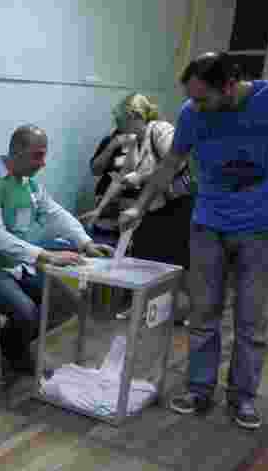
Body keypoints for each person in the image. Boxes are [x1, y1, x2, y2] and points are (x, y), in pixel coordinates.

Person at [120, 52, 268, 430]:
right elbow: (170, 164)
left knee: (252, 322)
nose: (195, 106)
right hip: (207, 226)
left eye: (203, 99)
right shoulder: (192, 112)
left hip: (260, 230)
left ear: (231, 85)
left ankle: (243, 398)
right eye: (192, 98)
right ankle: (199, 390)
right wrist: (139, 207)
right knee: (203, 315)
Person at [0, 124, 112, 376]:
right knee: (26, 312)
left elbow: (55, 213)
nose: (43, 163)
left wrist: (85, 243)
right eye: (38, 155)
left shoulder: (29, 184)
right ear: (16, 152)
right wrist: (46, 255)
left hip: (16, 264)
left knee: (66, 303)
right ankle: (13, 348)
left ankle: (6, 341)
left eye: (44, 154)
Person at [83, 92, 194, 321]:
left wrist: (141, 178)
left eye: (120, 121)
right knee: (144, 259)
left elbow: (177, 162)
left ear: (134, 115)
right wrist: (100, 209)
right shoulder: (134, 140)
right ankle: (144, 307)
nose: (118, 126)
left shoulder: (161, 130)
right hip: (150, 208)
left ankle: (180, 312)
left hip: (175, 207)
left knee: (171, 264)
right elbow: (121, 178)